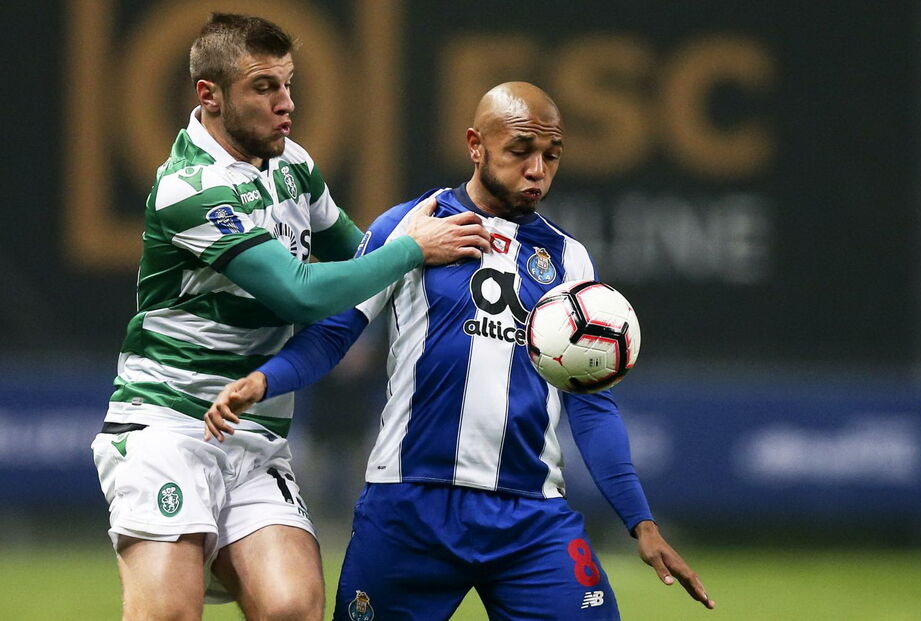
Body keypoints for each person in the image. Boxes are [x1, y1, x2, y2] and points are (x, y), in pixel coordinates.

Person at [206, 82, 715, 620]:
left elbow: (590, 404)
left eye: (551, 155)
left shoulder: (570, 260)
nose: (537, 169)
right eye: (520, 151)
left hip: (530, 516)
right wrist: (266, 379)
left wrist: (642, 523)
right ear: (476, 145)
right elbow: (335, 333)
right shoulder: (410, 227)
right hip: (410, 507)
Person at [90, 13, 490, 621]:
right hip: (167, 429)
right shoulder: (188, 187)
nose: (287, 103)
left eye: (288, 83)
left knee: (291, 608)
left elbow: (359, 262)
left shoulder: (293, 167)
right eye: (264, 87)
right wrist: (409, 248)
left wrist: (421, 259)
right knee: (166, 616)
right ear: (210, 96)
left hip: (256, 437)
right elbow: (300, 294)